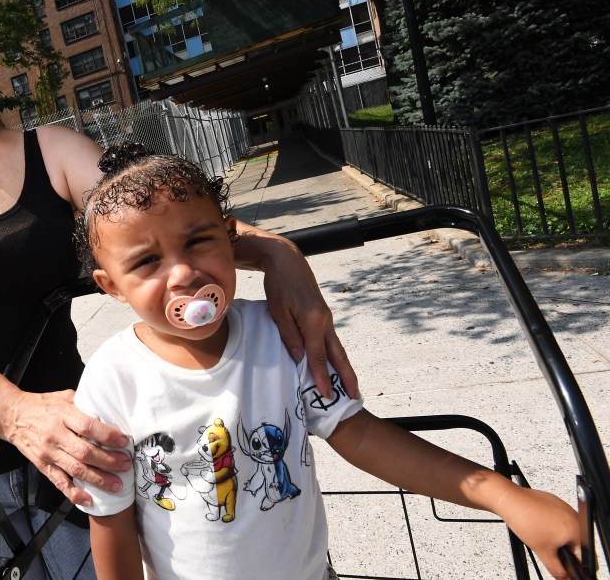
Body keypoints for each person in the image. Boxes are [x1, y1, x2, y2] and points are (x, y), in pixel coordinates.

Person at [0, 0, 359, 578]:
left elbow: (159, 214)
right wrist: (16, 414)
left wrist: (277, 253)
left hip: (80, 452)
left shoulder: (52, 152)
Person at [72, 142, 582, 580]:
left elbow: (359, 435)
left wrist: (505, 496)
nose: (182, 273)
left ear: (231, 236)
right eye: (146, 261)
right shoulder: (111, 380)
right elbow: (110, 518)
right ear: (110, 286)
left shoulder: (279, 334)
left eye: (197, 241)